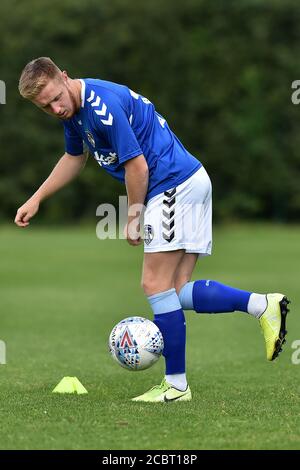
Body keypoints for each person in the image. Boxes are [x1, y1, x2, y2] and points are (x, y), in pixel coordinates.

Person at [15, 57, 290, 403]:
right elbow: (75, 157)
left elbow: (137, 166)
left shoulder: (102, 106)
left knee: (154, 284)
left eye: (56, 98)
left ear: (65, 77)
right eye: (45, 106)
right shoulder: (73, 111)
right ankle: (262, 305)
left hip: (172, 184)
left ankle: (176, 386)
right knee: (174, 289)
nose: (55, 108)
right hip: (187, 181)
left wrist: (132, 216)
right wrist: (37, 197)